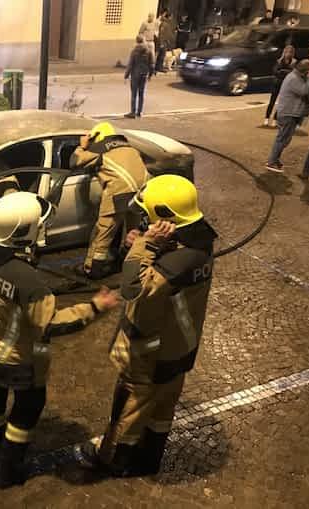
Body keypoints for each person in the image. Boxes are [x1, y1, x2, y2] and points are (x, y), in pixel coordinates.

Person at [0, 191, 119, 488]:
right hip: (20, 362)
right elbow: (52, 323)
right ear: (23, 232)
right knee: (26, 412)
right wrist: (95, 307)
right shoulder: (26, 279)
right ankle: (8, 472)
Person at [78, 175, 218, 477]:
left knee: (130, 406)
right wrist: (146, 244)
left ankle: (113, 459)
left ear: (166, 217)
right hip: (180, 347)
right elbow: (171, 263)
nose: (145, 220)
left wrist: (143, 245)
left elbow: (133, 289)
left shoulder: (174, 265)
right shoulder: (199, 243)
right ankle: (149, 459)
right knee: (163, 406)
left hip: (151, 352)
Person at [70, 122, 149, 279]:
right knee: (134, 231)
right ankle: (131, 263)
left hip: (119, 195)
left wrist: (82, 147)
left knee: (103, 232)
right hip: (141, 194)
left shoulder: (99, 149)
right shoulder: (130, 148)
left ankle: (92, 269)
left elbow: (74, 162)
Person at [266, 59, 309, 173]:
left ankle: (275, 159)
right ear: (307, 71)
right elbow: (305, 91)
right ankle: (271, 162)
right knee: (283, 138)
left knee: (285, 138)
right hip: (288, 113)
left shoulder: (296, 77)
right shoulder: (294, 78)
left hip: (289, 112)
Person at [264, 45, 297, 127]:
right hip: (277, 83)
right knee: (272, 101)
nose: (288, 54)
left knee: (280, 103)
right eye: (287, 52)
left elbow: (292, 73)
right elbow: (275, 71)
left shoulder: (294, 62)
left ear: (292, 53)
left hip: (286, 85)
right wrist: (284, 72)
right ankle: (267, 118)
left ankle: (275, 119)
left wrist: (282, 71)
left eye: (290, 52)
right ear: (284, 52)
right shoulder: (279, 61)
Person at [125, 36, 154, 118]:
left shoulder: (134, 51)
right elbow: (152, 64)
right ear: (144, 41)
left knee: (134, 94)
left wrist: (126, 75)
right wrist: (150, 75)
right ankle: (140, 112)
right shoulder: (149, 51)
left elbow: (130, 64)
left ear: (137, 41)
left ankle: (133, 112)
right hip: (144, 74)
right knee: (141, 94)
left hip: (135, 75)